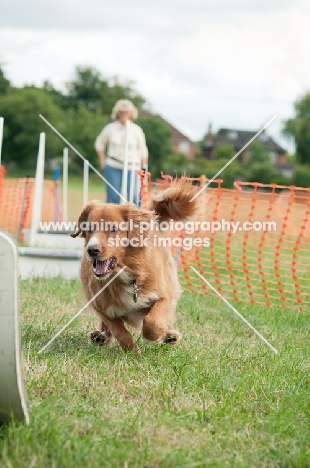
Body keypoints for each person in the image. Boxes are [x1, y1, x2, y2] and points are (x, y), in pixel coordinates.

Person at [95, 99, 148, 205]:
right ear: (117, 113)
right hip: (113, 165)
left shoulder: (137, 130)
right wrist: (103, 161)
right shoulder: (110, 128)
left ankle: (136, 220)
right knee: (113, 197)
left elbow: (143, 150)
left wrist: (144, 169)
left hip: (132, 167)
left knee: (134, 196)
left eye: (126, 112)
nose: (123, 114)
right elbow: (99, 143)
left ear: (131, 114)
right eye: (121, 112)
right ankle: (112, 221)